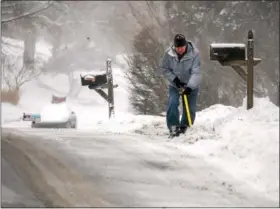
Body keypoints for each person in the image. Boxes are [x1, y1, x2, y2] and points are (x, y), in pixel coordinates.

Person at [160, 34, 201, 137]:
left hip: (190, 85)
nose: (180, 50)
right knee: (173, 103)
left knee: (190, 108)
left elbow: (196, 72)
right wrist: (175, 79)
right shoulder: (168, 54)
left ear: (186, 45)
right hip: (175, 85)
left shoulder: (195, 54)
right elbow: (164, 69)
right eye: (178, 48)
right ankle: (173, 127)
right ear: (174, 46)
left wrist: (189, 87)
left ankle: (184, 128)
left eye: (182, 47)